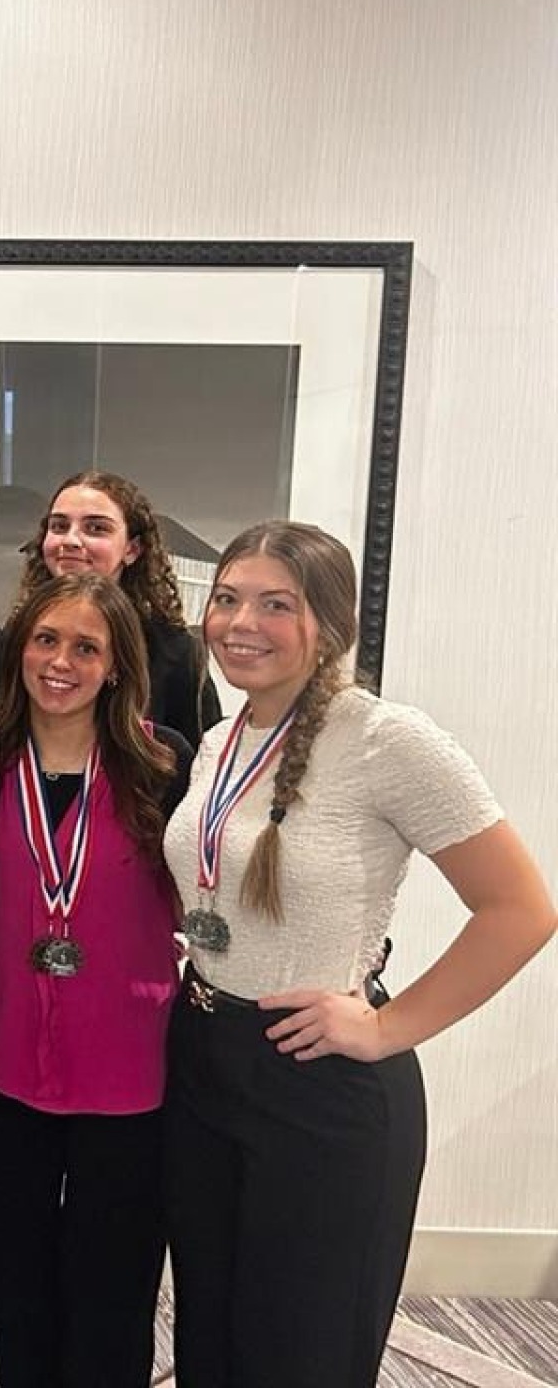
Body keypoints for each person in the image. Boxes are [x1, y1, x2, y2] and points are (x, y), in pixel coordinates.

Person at [162, 521, 554, 1387]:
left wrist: (386, 1027)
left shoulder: (389, 741)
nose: (240, 622)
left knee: (300, 1353)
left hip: (322, 1085)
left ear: (330, 625)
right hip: (203, 1065)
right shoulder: (223, 741)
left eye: (276, 604)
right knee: (210, 1343)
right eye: (227, 599)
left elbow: (520, 909)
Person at [0, 573, 192, 1387]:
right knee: (14, 1282)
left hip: (129, 1072)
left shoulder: (167, 767)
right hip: (2, 1058)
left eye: (86, 647)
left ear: (117, 665)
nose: (62, 662)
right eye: (46, 640)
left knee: (114, 1289)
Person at [0, 470, 220, 747]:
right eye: (59, 526)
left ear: (132, 550)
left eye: (96, 528)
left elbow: (200, 770)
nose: (71, 541)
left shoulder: (177, 656)